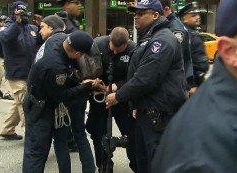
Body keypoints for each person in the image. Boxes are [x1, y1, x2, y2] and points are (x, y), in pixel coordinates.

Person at [152, 0, 237, 172]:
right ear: (231, 51)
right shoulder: (206, 149)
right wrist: (193, 85)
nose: (197, 18)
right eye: (193, 14)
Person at [106, 0, 187, 172]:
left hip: (159, 116)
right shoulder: (151, 37)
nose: (136, 17)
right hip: (148, 112)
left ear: (156, 15)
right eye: (135, 13)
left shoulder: (162, 40)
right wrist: (136, 103)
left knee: (156, 164)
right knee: (143, 163)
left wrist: (118, 96)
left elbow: (146, 78)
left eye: (141, 13)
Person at [22, 30, 97, 173]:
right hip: (40, 107)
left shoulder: (58, 38)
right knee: (36, 153)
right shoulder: (55, 67)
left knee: (38, 150)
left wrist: (77, 81)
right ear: (76, 53)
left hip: (40, 95)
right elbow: (61, 95)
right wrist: (84, 87)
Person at [85, 27, 137, 173]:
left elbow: (136, 77)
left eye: (119, 50)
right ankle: (104, 165)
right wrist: (93, 82)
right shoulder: (97, 45)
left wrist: (117, 86)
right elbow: (87, 68)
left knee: (130, 132)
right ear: (109, 38)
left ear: (127, 43)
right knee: (98, 132)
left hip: (123, 97)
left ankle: (137, 164)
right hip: (100, 98)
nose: (114, 53)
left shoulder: (134, 50)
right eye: (113, 48)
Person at [0, 1, 42, 140]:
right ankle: (32, 136)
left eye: (24, 12)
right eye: (19, 12)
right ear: (14, 12)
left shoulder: (31, 28)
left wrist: (41, 27)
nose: (22, 15)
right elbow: (6, 39)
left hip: (30, 73)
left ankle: (7, 130)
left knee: (18, 102)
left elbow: (40, 43)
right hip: (16, 74)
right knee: (25, 103)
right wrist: (17, 23)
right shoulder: (7, 28)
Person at [56, 0, 83, 152]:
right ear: (67, 5)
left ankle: (71, 139)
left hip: (75, 73)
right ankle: (68, 140)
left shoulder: (74, 22)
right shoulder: (61, 22)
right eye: (76, 2)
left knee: (75, 109)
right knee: (67, 109)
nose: (79, 5)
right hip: (66, 73)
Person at [160, 0, 193, 90]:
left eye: (157, 12)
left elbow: (171, 59)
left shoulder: (175, 29)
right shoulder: (166, 24)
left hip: (173, 85)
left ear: (166, 9)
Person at [177, 1, 209, 96]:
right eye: (193, 15)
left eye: (198, 15)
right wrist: (191, 84)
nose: (197, 17)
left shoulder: (194, 33)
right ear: (184, 18)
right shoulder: (185, 34)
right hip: (192, 84)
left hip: (199, 81)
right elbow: (184, 60)